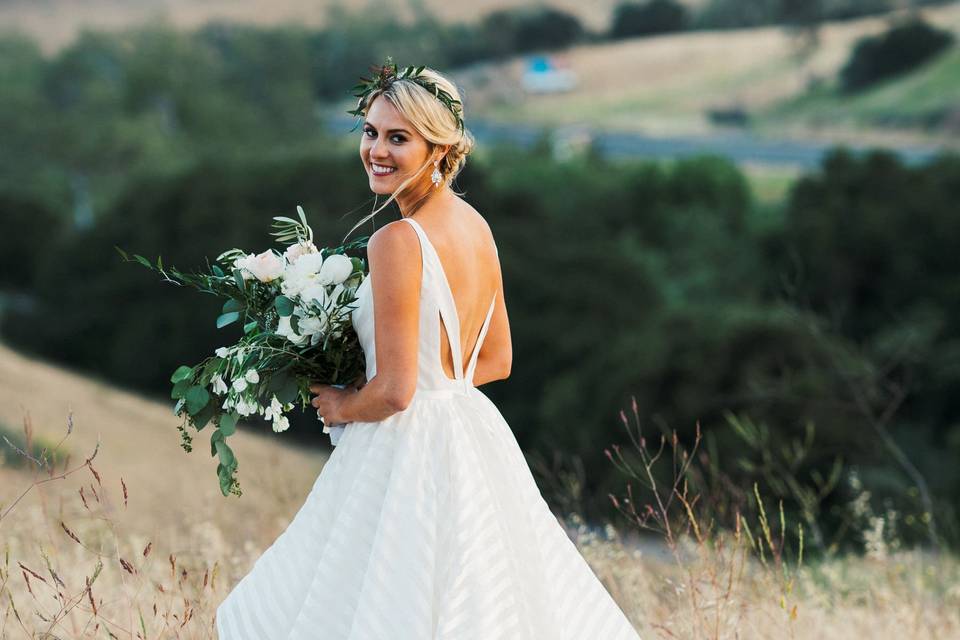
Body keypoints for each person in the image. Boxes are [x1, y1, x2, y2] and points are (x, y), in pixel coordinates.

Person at [215, 60, 642, 639]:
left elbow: (394, 391)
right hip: (471, 436)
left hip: (406, 449)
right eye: (371, 132)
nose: (377, 151)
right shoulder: (475, 226)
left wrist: (342, 404)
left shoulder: (396, 241)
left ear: (440, 149)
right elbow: (496, 360)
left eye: (399, 138)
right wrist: (438, 381)